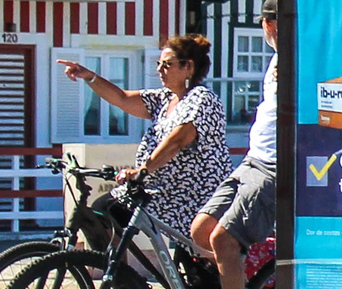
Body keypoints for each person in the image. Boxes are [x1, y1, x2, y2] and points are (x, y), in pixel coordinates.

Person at [58, 34, 226, 244]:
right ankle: (119, 274)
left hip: (190, 194)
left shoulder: (202, 98)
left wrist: (142, 170)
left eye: (167, 65)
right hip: (159, 190)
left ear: (188, 67)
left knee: (197, 264)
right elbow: (121, 98)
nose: (159, 70)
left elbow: (177, 141)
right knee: (104, 211)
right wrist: (89, 77)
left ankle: (122, 273)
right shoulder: (165, 98)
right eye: (159, 64)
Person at [193, 0, 281, 289]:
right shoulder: (276, 58)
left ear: (267, 24)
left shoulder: (298, 58)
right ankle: (255, 264)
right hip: (253, 158)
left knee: (222, 241)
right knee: (200, 232)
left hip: (274, 165)